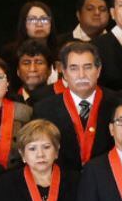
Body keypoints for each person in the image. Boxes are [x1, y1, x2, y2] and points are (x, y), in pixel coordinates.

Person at [33, 40, 116, 175]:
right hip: (62, 184)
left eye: (88, 67)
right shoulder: (44, 110)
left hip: (108, 181)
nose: (81, 75)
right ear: (64, 73)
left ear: (98, 70)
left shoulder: (117, 104)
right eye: (74, 68)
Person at [13, 38, 54, 105]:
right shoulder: (11, 102)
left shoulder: (61, 101)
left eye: (39, 62)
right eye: (26, 63)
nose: (33, 69)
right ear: (18, 71)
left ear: (49, 70)